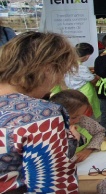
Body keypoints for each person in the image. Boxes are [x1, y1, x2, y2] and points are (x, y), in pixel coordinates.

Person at [0, 32, 79, 193]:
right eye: (61, 73)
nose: (58, 81)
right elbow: (53, 186)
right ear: (48, 69)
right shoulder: (43, 115)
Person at [50, 89, 106, 163]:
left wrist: (88, 150)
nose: (78, 120)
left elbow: (100, 132)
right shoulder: (51, 132)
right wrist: (72, 141)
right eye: (73, 117)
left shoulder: (83, 120)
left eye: (81, 115)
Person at [64, 42, 101, 118]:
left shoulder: (67, 64)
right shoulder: (82, 68)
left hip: (72, 92)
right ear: (87, 56)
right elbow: (93, 80)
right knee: (86, 114)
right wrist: (98, 76)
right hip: (85, 93)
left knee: (76, 112)